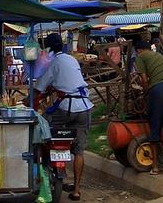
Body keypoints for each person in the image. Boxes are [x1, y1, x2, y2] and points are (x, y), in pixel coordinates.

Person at [36, 33, 93, 202]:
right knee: (79, 151)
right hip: (84, 107)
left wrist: (30, 101)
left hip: (67, 108)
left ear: (49, 48)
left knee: (41, 123)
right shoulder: (72, 59)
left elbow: (39, 88)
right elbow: (69, 81)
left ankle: (42, 168)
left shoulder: (53, 62)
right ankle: (76, 190)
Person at [133, 39, 163, 179]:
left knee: (155, 127)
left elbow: (144, 80)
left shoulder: (140, 57)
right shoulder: (159, 56)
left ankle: (155, 166)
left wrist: (145, 92)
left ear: (139, 50)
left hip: (158, 90)